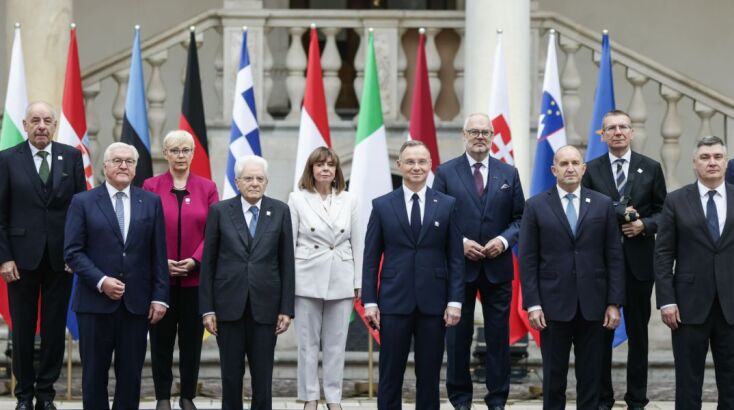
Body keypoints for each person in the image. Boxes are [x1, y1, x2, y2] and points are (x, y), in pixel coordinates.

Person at [64, 142, 169, 410]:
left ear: (135, 168)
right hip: (94, 304)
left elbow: (158, 254)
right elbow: (73, 252)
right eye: (117, 161)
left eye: (129, 161)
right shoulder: (83, 202)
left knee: (131, 376)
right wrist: (102, 281)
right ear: (105, 166)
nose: (123, 166)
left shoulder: (151, 202)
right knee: (93, 375)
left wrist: (160, 297)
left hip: (136, 305)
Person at [519, 145, 624, 410]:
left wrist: (614, 302)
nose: (569, 168)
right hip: (552, 306)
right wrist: (533, 304)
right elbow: (528, 260)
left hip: (594, 305)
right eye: (563, 164)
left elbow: (613, 256)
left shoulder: (602, 204)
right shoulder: (535, 206)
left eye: (575, 163)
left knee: (591, 378)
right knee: (554, 378)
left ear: (583, 168)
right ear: (553, 169)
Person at [362, 140, 464, 410]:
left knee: (429, 375)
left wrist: (455, 301)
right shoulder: (382, 205)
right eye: (410, 162)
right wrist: (369, 301)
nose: (416, 167)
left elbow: (455, 258)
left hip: (434, 303)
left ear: (430, 165)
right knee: (390, 373)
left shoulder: (447, 204)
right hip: (393, 302)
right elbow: (370, 258)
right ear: (399, 165)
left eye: (421, 162)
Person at [433, 113, 524, 410]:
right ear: (464, 135)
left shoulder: (508, 173)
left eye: (485, 132)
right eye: (474, 131)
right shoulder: (446, 173)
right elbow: (437, 218)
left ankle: (497, 399)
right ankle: (460, 399)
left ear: (493, 136)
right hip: (459, 269)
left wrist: (503, 241)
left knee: (498, 338)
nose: (480, 137)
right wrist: (460, 244)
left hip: (497, 268)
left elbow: (520, 219)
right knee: (458, 338)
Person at [0, 101, 86, 410]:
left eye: (47, 121)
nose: (41, 126)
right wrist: (4, 257)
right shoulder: (7, 159)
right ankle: (24, 396)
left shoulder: (71, 157)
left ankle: (46, 395)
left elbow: (81, 210)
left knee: (53, 330)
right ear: (25, 125)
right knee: (22, 331)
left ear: (54, 126)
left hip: (60, 259)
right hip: (20, 260)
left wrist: (75, 253)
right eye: (35, 120)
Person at [581, 109, 667, 410]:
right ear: (602, 135)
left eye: (623, 127)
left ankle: (637, 399)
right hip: (600, 266)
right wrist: (615, 214)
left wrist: (645, 225)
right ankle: (603, 399)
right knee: (600, 336)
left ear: (631, 132)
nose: (617, 132)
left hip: (638, 265)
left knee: (639, 337)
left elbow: (664, 213)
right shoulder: (591, 170)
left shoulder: (651, 167)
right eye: (611, 128)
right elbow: (585, 211)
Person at [199, 155, 295, 410]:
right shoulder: (219, 211)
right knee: (231, 376)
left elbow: (287, 262)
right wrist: (207, 309)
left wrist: (286, 309)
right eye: (248, 178)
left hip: (266, 308)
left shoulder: (280, 210)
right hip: (228, 306)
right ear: (237, 182)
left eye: (260, 178)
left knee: (263, 377)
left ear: (267, 182)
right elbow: (208, 263)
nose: (254, 183)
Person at [655, 135, 734, 409]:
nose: (712, 162)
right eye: (705, 157)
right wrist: (667, 300)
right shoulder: (676, 200)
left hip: (731, 305)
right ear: (694, 163)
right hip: (687, 307)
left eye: (717, 157)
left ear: (726, 162)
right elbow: (663, 254)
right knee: (688, 384)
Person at [143, 130, 219, 410]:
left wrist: (195, 260)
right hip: (160, 280)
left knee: (191, 343)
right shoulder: (151, 186)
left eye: (186, 150)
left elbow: (213, 231)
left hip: (194, 280)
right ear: (165, 154)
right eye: (174, 150)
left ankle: (187, 396)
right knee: (160, 341)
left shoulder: (207, 187)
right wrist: (161, 261)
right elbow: (144, 228)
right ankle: (163, 396)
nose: (180, 155)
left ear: (193, 153)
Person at [288, 147, 362, 410]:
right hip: (306, 277)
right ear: (311, 169)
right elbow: (290, 244)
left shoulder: (349, 199)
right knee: (307, 344)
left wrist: (358, 281)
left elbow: (357, 242)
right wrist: (289, 283)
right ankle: (310, 397)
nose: (325, 169)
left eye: (330, 165)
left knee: (336, 345)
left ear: (337, 170)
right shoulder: (297, 199)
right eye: (320, 164)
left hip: (341, 276)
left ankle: (333, 399)